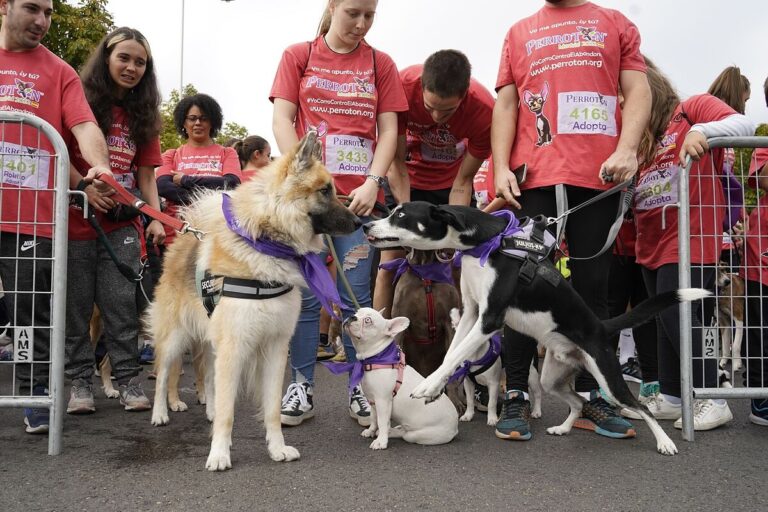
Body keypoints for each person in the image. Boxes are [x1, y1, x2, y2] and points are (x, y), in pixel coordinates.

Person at [492, 0, 651, 441]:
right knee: (520, 289)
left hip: (597, 177)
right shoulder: (519, 31)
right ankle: (517, 395)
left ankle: (593, 397)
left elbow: (638, 89)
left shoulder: (615, 22)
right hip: (534, 178)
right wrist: (501, 165)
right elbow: (506, 104)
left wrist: (627, 147)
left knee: (593, 290)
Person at [270, 0, 407, 427]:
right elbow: (281, 118)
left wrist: (372, 179)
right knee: (308, 297)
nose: (361, 24)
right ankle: (300, 387)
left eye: (370, 15)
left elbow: (389, 131)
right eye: (353, 13)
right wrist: (305, 173)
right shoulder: (299, 55)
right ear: (333, 7)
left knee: (356, 300)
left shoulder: (380, 63)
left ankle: (358, 388)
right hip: (311, 204)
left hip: (358, 203)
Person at [0, 0, 113, 433]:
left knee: (29, 313)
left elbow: (84, 127)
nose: (42, 21)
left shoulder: (60, 71)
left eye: (48, 12)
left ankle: (34, 395)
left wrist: (98, 165)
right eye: (32, 8)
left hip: (31, 216)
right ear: (5, 6)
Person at [629, 62, 754, 431]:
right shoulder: (642, 136)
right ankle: (671, 395)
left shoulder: (693, 107)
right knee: (660, 318)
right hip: (650, 239)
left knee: (678, 316)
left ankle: (715, 397)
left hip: (690, 237)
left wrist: (701, 130)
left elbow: (744, 125)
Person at [64, 27, 166, 415]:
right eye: (124, 57)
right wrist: (84, 189)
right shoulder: (79, 101)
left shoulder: (144, 115)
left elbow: (145, 175)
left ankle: (127, 380)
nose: (132, 67)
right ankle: (79, 383)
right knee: (76, 307)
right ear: (106, 58)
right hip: (77, 218)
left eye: (140, 62)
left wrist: (154, 217)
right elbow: (63, 156)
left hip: (124, 223)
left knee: (121, 305)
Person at [374, 49, 494, 315]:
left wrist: (452, 235)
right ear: (421, 89)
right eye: (429, 108)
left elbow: (463, 182)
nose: (437, 117)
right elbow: (397, 166)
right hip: (407, 178)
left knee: (455, 260)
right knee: (390, 261)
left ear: (463, 97)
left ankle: (459, 338)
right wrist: (406, 219)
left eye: (448, 111)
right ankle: (382, 348)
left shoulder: (484, 111)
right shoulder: (402, 87)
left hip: (450, 185)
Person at [155, 93, 242, 247]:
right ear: (183, 122)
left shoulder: (227, 153)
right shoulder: (171, 155)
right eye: (192, 118)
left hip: (217, 237)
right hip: (176, 237)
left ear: (212, 122)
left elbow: (231, 184)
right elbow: (163, 187)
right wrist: (211, 195)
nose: (197, 123)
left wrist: (185, 180)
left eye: (203, 118)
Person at [734, 77, 768, 427]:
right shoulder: (762, 138)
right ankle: (761, 399)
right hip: (762, 255)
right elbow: (761, 179)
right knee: (759, 326)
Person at [707, 66, 751, 270]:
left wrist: (740, 212)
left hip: (724, 219)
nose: (745, 105)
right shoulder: (713, 124)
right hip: (709, 216)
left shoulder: (728, 131)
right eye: (745, 99)